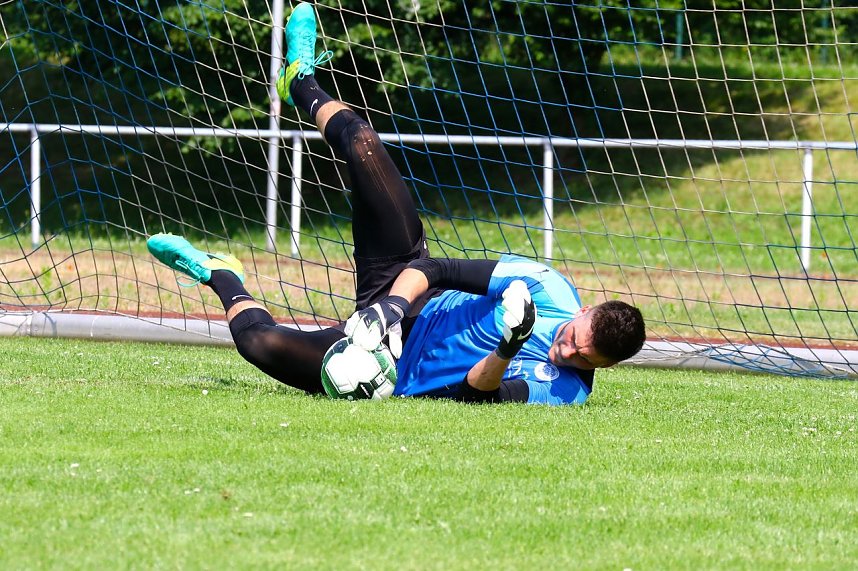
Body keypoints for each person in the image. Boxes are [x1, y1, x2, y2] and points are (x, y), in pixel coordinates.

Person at [147, 3, 646, 405]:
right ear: (586, 309)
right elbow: (438, 268)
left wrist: (510, 344)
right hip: (407, 286)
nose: (569, 353)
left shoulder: (567, 391)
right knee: (363, 142)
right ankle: (301, 79)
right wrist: (387, 309)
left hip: (390, 368)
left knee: (259, 345)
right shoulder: (548, 286)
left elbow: (477, 397)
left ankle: (218, 272)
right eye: (576, 338)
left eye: (585, 359)